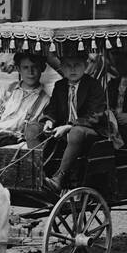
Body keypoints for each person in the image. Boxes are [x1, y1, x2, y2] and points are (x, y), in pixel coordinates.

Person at [40, 52, 111, 194]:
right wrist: (49, 120)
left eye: (77, 65)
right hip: (64, 129)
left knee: (76, 132)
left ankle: (59, 177)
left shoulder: (93, 86)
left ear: (85, 66)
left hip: (91, 132)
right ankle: (39, 172)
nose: (72, 70)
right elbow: (52, 109)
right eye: (68, 66)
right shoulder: (60, 86)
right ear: (62, 68)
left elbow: (95, 116)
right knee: (33, 127)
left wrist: (70, 125)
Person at [0, 51, 50, 147]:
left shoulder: (45, 100)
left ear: (42, 68)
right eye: (25, 67)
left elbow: (36, 131)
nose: (30, 72)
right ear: (18, 69)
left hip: (12, 140)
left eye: (35, 67)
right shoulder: (7, 90)